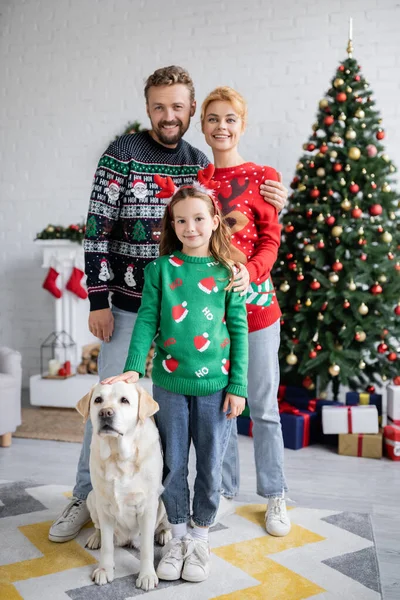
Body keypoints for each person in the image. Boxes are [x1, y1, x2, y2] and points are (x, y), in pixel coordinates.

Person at [49, 66, 287, 543]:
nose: (168, 115)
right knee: (106, 401)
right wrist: (97, 298)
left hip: (189, 311)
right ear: (148, 109)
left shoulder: (200, 165)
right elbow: (96, 229)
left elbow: (238, 220)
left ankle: (194, 507)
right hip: (127, 308)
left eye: (177, 106)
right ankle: (84, 497)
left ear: (191, 110)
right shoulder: (122, 154)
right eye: (159, 106)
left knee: (203, 409)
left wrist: (278, 198)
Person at [102, 168, 248, 582]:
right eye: (180, 220)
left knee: (210, 463)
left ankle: (200, 539)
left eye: (199, 218)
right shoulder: (161, 270)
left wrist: (237, 385)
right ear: (172, 225)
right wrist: (133, 368)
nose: (190, 227)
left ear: (214, 220)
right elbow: (146, 321)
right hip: (168, 385)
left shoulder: (227, 272)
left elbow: (237, 330)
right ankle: (178, 535)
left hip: (215, 388)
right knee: (171, 464)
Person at [200, 87, 291, 537]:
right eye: (213, 118)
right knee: (223, 407)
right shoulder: (196, 182)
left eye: (230, 118)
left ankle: (275, 496)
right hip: (211, 316)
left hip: (257, 311)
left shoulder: (263, 176)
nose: (222, 126)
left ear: (242, 124)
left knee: (263, 405)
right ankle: (224, 493)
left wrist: (250, 273)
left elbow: (272, 241)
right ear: (203, 125)